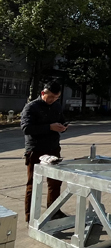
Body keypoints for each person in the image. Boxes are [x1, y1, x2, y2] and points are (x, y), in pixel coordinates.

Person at [21, 80, 68, 223]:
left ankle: (54, 211)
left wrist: (63, 126)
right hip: (35, 149)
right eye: (51, 97)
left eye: (56, 98)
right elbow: (26, 128)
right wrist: (49, 127)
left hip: (53, 147)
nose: (53, 100)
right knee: (33, 183)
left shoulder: (57, 106)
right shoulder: (31, 107)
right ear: (43, 93)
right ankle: (30, 217)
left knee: (55, 182)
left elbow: (62, 120)